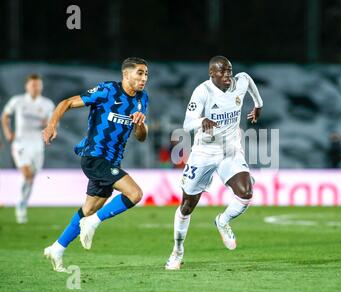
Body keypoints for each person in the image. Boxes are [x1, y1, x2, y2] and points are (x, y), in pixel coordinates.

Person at [42, 57, 149, 272]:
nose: (144, 78)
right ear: (126, 74)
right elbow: (67, 103)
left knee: (89, 209)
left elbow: (141, 137)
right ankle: (93, 223)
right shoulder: (108, 90)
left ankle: (57, 248)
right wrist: (51, 125)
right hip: (94, 157)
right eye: (139, 73)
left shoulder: (142, 99)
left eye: (146, 74)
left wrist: (140, 124)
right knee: (135, 194)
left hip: (112, 161)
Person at [165, 55, 263, 270]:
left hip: (230, 151)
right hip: (204, 152)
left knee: (245, 193)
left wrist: (258, 104)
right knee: (187, 206)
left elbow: (248, 80)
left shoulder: (240, 81)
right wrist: (202, 120)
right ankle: (177, 251)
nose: (228, 74)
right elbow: (187, 122)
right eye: (223, 71)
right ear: (212, 73)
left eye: (229, 70)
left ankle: (222, 221)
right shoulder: (203, 91)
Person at [1, 74, 54, 223]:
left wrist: (48, 126)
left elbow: (53, 124)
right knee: (27, 174)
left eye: (37, 85)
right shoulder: (18, 101)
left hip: (37, 145)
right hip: (20, 143)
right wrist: (7, 132)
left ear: (41, 87)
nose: (35, 87)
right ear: (27, 86)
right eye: (32, 85)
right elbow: (5, 116)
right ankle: (21, 206)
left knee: (31, 177)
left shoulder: (47, 104)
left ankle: (22, 202)